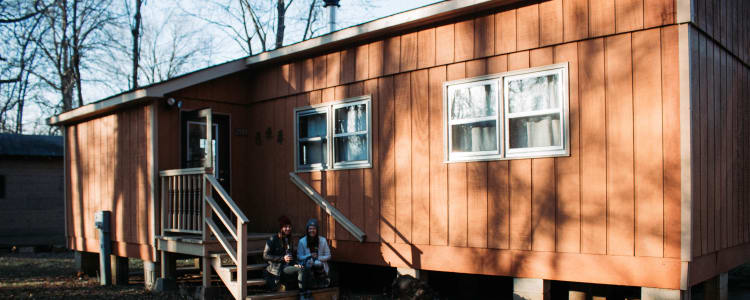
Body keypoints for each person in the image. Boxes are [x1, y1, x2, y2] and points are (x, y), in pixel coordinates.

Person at [263, 216, 303, 291]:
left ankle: (307, 291)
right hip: (278, 269)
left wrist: (295, 263)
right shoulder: (273, 239)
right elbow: (265, 256)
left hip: (287, 267)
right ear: (281, 228)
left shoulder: (289, 239)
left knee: (302, 268)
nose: (288, 229)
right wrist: (282, 258)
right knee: (300, 271)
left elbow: (291, 256)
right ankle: (303, 294)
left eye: (289, 226)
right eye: (285, 226)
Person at [297, 218, 331, 295]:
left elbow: (329, 256)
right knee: (309, 265)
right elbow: (299, 257)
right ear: (307, 230)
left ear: (317, 230)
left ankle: (322, 283)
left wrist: (318, 258)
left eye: (314, 228)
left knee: (318, 263)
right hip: (307, 265)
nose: (312, 230)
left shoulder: (323, 240)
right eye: (310, 228)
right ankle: (311, 286)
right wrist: (309, 256)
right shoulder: (302, 241)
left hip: (320, 266)